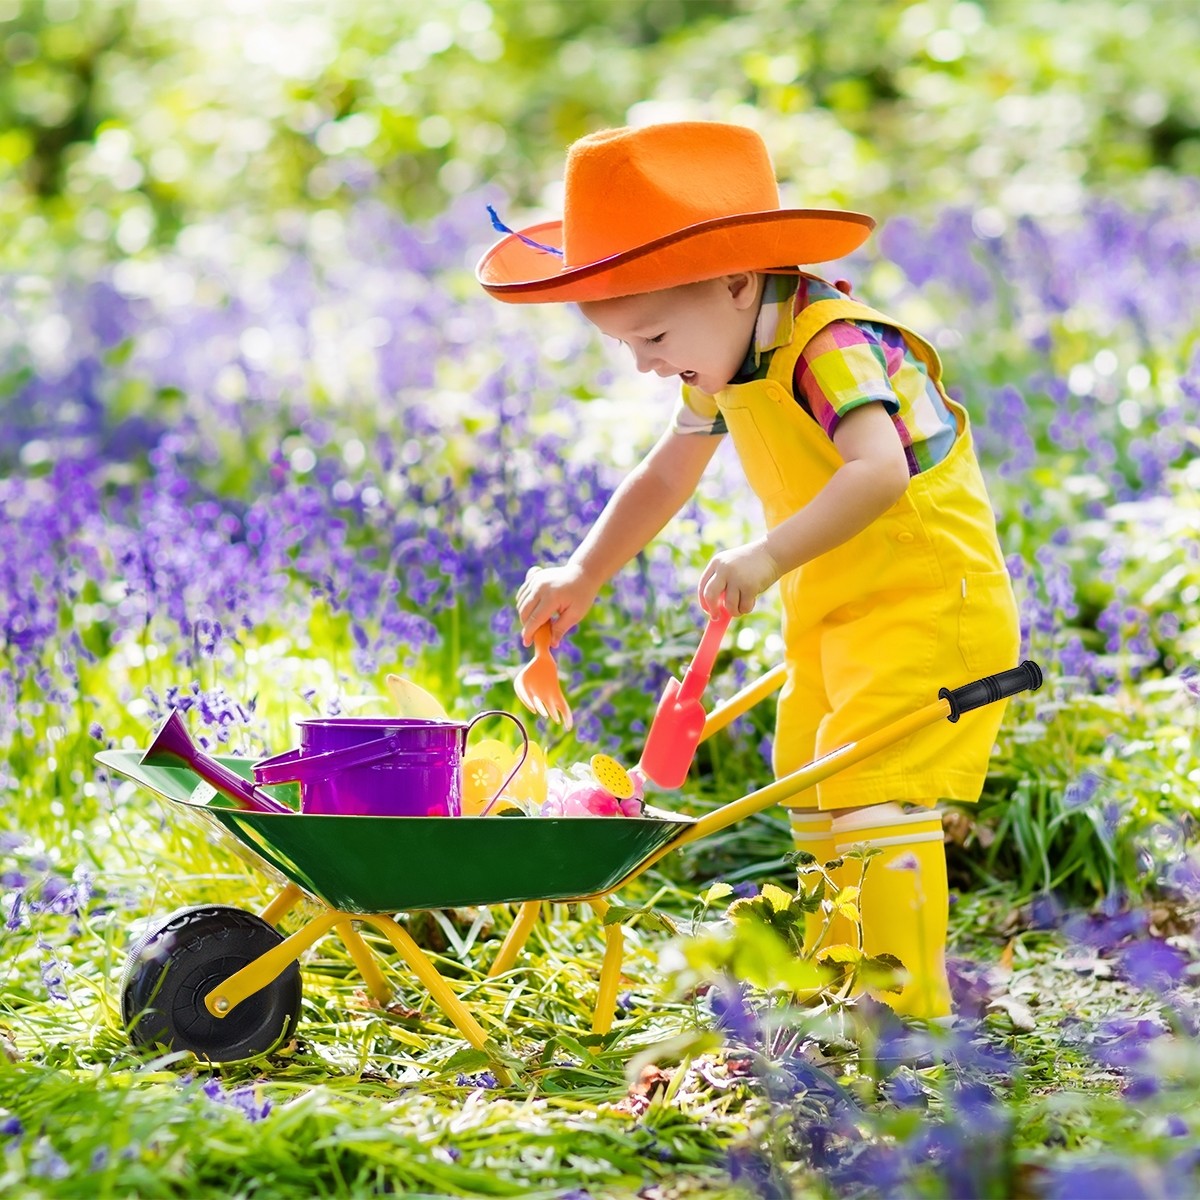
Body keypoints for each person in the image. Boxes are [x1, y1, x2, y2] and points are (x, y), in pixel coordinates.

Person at [476, 121, 1020, 1019]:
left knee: (872, 795)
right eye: (628, 349)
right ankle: (845, 983)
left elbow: (879, 471)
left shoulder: (829, 345)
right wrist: (583, 570)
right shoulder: (728, 348)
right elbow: (666, 472)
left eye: (652, 335)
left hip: (929, 603)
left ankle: (906, 1011)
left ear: (734, 282)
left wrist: (765, 555)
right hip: (836, 607)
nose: (648, 364)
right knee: (811, 784)